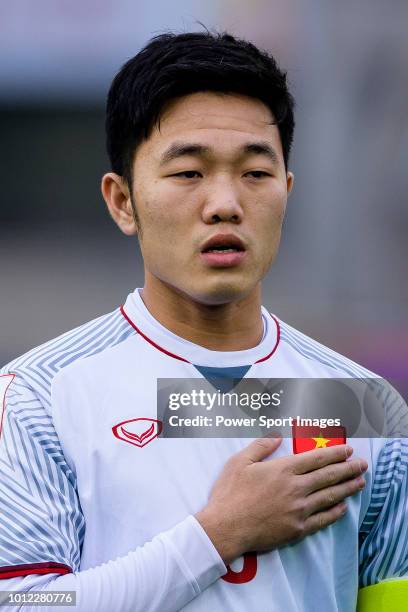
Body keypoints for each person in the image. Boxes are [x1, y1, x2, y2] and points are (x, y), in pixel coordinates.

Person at [0, 31, 407, 612]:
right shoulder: (39, 397)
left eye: (255, 173)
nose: (225, 202)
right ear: (122, 201)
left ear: (287, 192)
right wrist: (220, 534)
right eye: (189, 172)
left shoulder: (362, 402)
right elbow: (26, 605)